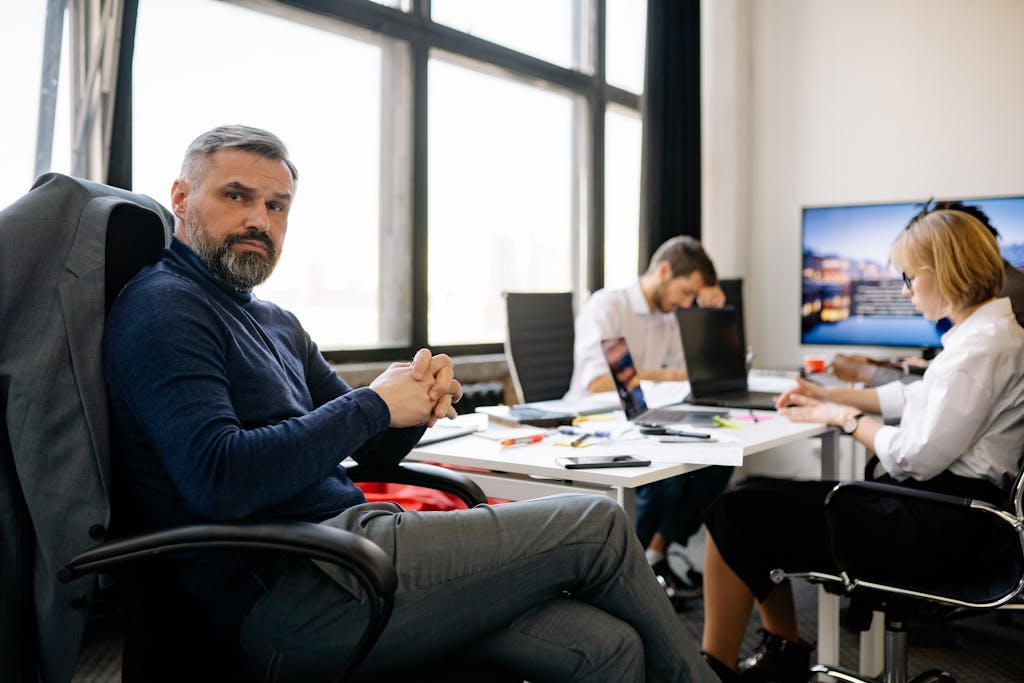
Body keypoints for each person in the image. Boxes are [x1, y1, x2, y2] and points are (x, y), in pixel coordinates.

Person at [103, 125, 717, 682]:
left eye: (276, 205)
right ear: (181, 199)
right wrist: (373, 403)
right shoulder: (166, 306)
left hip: (359, 552)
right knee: (599, 522)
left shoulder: (274, 321)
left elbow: (367, 445)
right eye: (236, 196)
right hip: (297, 588)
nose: (259, 219)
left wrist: (413, 405)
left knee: (607, 648)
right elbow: (218, 477)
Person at [698, 208, 1024, 682]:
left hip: (939, 526)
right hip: (959, 514)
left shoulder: (981, 348)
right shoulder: (992, 335)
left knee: (735, 512)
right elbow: (914, 397)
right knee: (759, 504)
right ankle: (785, 649)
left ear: (945, 272)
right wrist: (826, 394)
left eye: (910, 277)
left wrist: (843, 418)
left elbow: (914, 455)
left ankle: (717, 672)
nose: (906, 289)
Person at [565, 235, 735, 608]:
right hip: (596, 421)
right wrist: (670, 376)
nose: (686, 302)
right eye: (686, 292)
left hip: (644, 420)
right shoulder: (609, 306)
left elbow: (696, 372)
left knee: (721, 460)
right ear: (663, 271)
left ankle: (652, 556)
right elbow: (598, 382)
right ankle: (623, 571)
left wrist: (710, 317)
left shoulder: (672, 316)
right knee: (668, 476)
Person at [831, 200, 1024, 386]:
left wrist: (863, 377)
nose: (906, 291)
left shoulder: (1007, 301)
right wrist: (889, 366)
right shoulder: (991, 299)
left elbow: (953, 389)